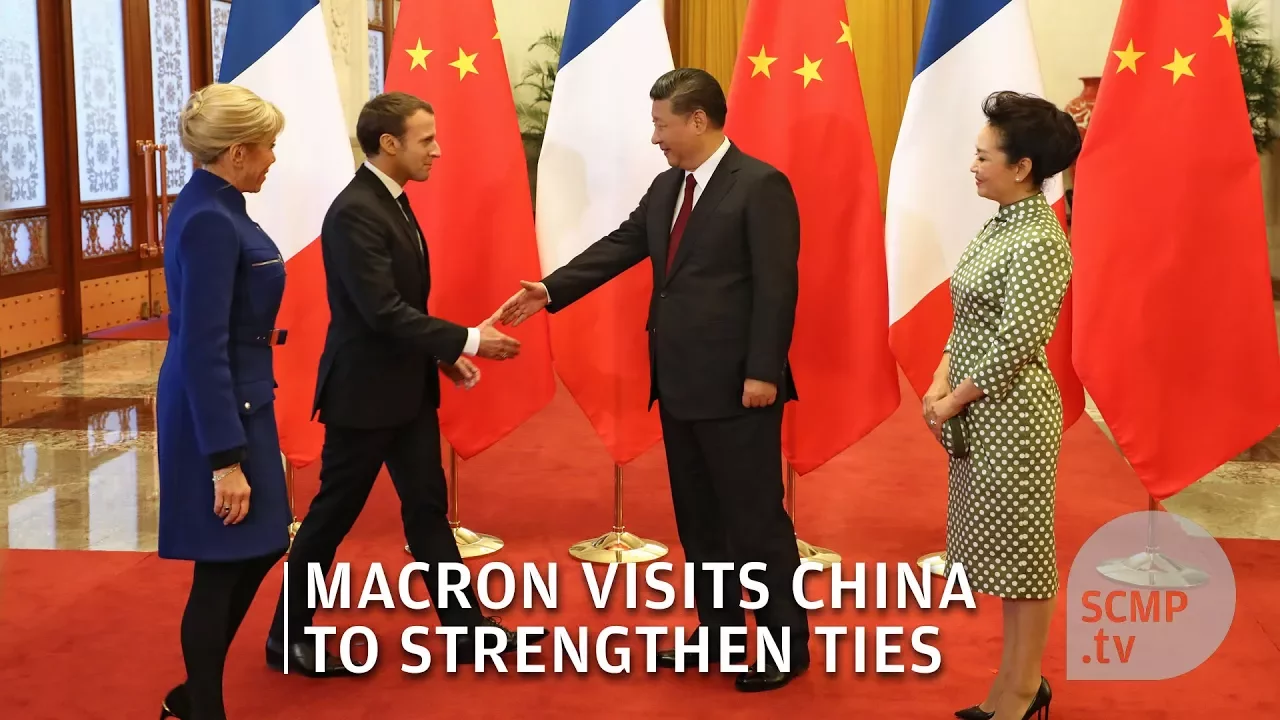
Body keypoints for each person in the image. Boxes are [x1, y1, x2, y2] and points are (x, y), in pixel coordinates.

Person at [497, 68, 808, 692]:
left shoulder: (761, 184)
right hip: (679, 382)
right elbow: (622, 245)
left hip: (740, 388)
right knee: (698, 520)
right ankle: (719, 634)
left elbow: (777, 288)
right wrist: (551, 290)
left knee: (754, 521)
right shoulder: (668, 187)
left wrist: (762, 372)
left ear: (699, 120)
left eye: (662, 124)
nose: (655, 137)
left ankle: (785, 644)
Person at [265, 91, 540, 676]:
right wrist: (468, 340)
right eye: (426, 140)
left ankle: (466, 630)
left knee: (426, 509)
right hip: (364, 396)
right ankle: (285, 637)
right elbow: (381, 311)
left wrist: (440, 357)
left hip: (405, 390)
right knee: (332, 516)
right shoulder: (355, 211)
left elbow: (401, 307)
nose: (437, 151)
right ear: (389, 143)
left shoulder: (391, 200)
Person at [922, 91, 1080, 720]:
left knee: (1025, 558)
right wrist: (941, 379)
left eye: (984, 156)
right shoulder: (1001, 222)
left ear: (1022, 167)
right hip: (979, 412)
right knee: (1004, 558)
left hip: (1012, 418)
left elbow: (1017, 342)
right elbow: (970, 317)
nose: (973, 165)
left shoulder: (1039, 238)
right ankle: (1011, 683)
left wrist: (952, 400)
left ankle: (1022, 688)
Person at [156, 83, 290, 720]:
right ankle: (200, 705)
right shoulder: (211, 217)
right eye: (267, 147)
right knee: (222, 559)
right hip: (218, 410)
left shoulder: (216, 204)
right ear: (238, 152)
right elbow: (203, 345)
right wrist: (225, 461)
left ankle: (191, 698)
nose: (272, 159)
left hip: (242, 401)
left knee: (261, 543)